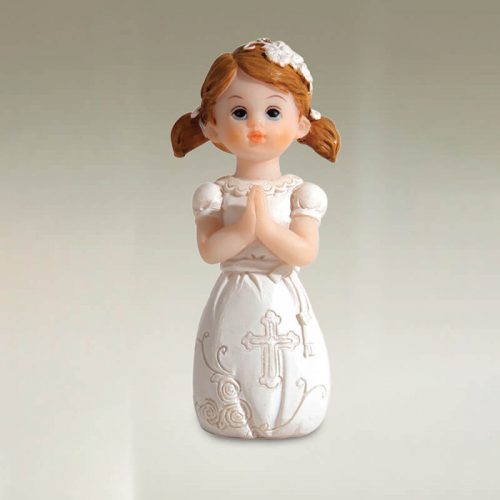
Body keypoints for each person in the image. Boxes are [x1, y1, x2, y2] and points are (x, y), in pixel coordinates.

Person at [171, 38, 340, 439]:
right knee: (230, 357)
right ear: (212, 124)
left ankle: (289, 414)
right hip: (235, 297)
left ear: (301, 124)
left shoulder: (301, 194)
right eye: (239, 112)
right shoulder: (214, 194)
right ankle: (232, 413)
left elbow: (305, 252)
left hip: (282, 296)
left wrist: (266, 229)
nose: (256, 125)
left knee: (289, 367)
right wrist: (244, 230)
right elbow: (210, 251)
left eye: (273, 112)